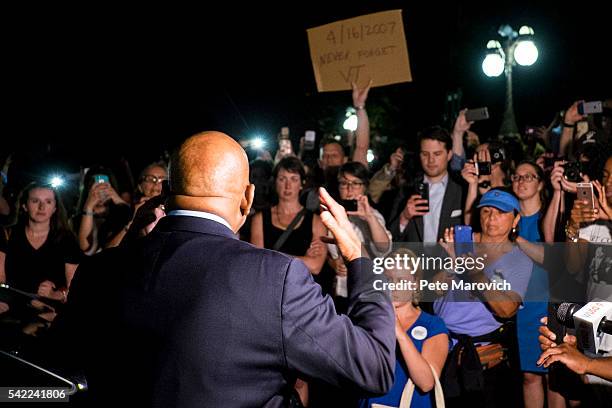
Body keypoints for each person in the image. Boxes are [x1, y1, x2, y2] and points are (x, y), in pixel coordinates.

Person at [50, 131, 395, 407]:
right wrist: (359, 258)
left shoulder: (99, 271)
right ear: (247, 198)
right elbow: (374, 368)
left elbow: (57, 378)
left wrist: (129, 246)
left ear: (166, 194)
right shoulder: (276, 279)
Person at [434, 188, 533, 407]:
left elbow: (506, 310)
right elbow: (433, 290)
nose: (491, 218)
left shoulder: (519, 261)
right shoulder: (459, 242)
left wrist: (473, 271)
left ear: (516, 218)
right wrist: (451, 265)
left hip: (479, 356)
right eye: (486, 211)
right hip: (438, 345)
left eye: (501, 212)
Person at [361, 249, 450, 408]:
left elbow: (426, 383)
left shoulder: (433, 325)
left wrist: (399, 332)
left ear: (415, 283)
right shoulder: (369, 318)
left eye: (401, 280)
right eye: (388, 279)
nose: (393, 286)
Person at [0, 182, 81, 323]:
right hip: (12, 301)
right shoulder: (8, 234)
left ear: (55, 207)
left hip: (49, 305)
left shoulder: (66, 240)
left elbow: (75, 288)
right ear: (25, 205)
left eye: (48, 201)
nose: (41, 207)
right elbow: (1, 279)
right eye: (35, 201)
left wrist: (56, 294)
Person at [250, 156, 327, 275]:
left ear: (302, 183)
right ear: (275, 182)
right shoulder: (260, 219)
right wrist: (302, 260)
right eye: (282, 179)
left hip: (302, 290)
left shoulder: (316, 221)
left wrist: (271, 255)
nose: (288, 185)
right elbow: (259, 261)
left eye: (294, 179)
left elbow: (315, 266)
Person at [388, 126, 464, 243]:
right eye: (425, 154)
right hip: (414, 259)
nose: (431, 160)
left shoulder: (462, 190)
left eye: (437, 154)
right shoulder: (407, 190)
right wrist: (404, 217)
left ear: (449, 155)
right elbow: (390, 238)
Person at [74, 167, 131, 254]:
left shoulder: (120, 213)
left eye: (105, 186)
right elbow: (85, 248)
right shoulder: (78, 218)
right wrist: (88, 207)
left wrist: (119, 201)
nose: (100, 191)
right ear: (88, 189)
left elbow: (134, 220)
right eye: (95, 187)